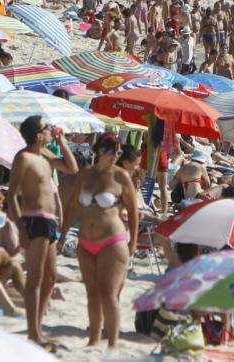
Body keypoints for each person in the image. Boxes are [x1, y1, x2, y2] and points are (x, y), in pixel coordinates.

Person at [59, 134, 139, 352]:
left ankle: (112, 344)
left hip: (112, 241)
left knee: (109, 293)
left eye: (119, 152)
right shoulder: (85, 175)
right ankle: (94, 340)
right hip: (85, 242)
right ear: (100, 152)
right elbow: (73, 207)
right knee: (91, 293)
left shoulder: (121, 176)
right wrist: (62, 235)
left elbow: (133, 212)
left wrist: (133, 243)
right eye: (112, 151)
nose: (116, 156)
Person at [7, 115, 78, 348]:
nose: (51, 130)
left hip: (49, 221)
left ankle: (37, 327)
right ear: (38, 135)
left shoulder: (44, 156)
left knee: (49, 277)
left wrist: (63, 141)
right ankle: (32, 332)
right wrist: (21, 229)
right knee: (35, 278)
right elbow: (12, 196)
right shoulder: (24, 158)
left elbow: (72, 168)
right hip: (32, 220)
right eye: (47, 128)